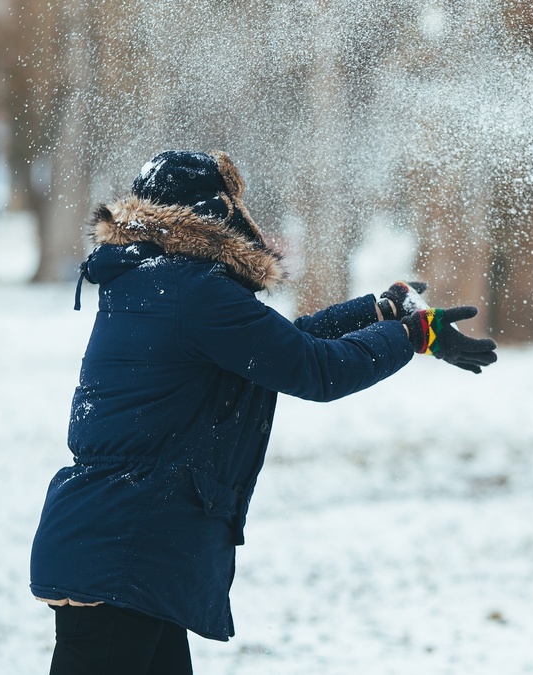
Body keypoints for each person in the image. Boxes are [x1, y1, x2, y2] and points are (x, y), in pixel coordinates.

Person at [29, 149, 497, 674]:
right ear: (214, 214)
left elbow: (278, 347)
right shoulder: (193, 292)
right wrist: (413, 334)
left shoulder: (153, 282)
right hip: (126, 553)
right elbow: (318, 371)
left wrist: (379, 310)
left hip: (120, 549)